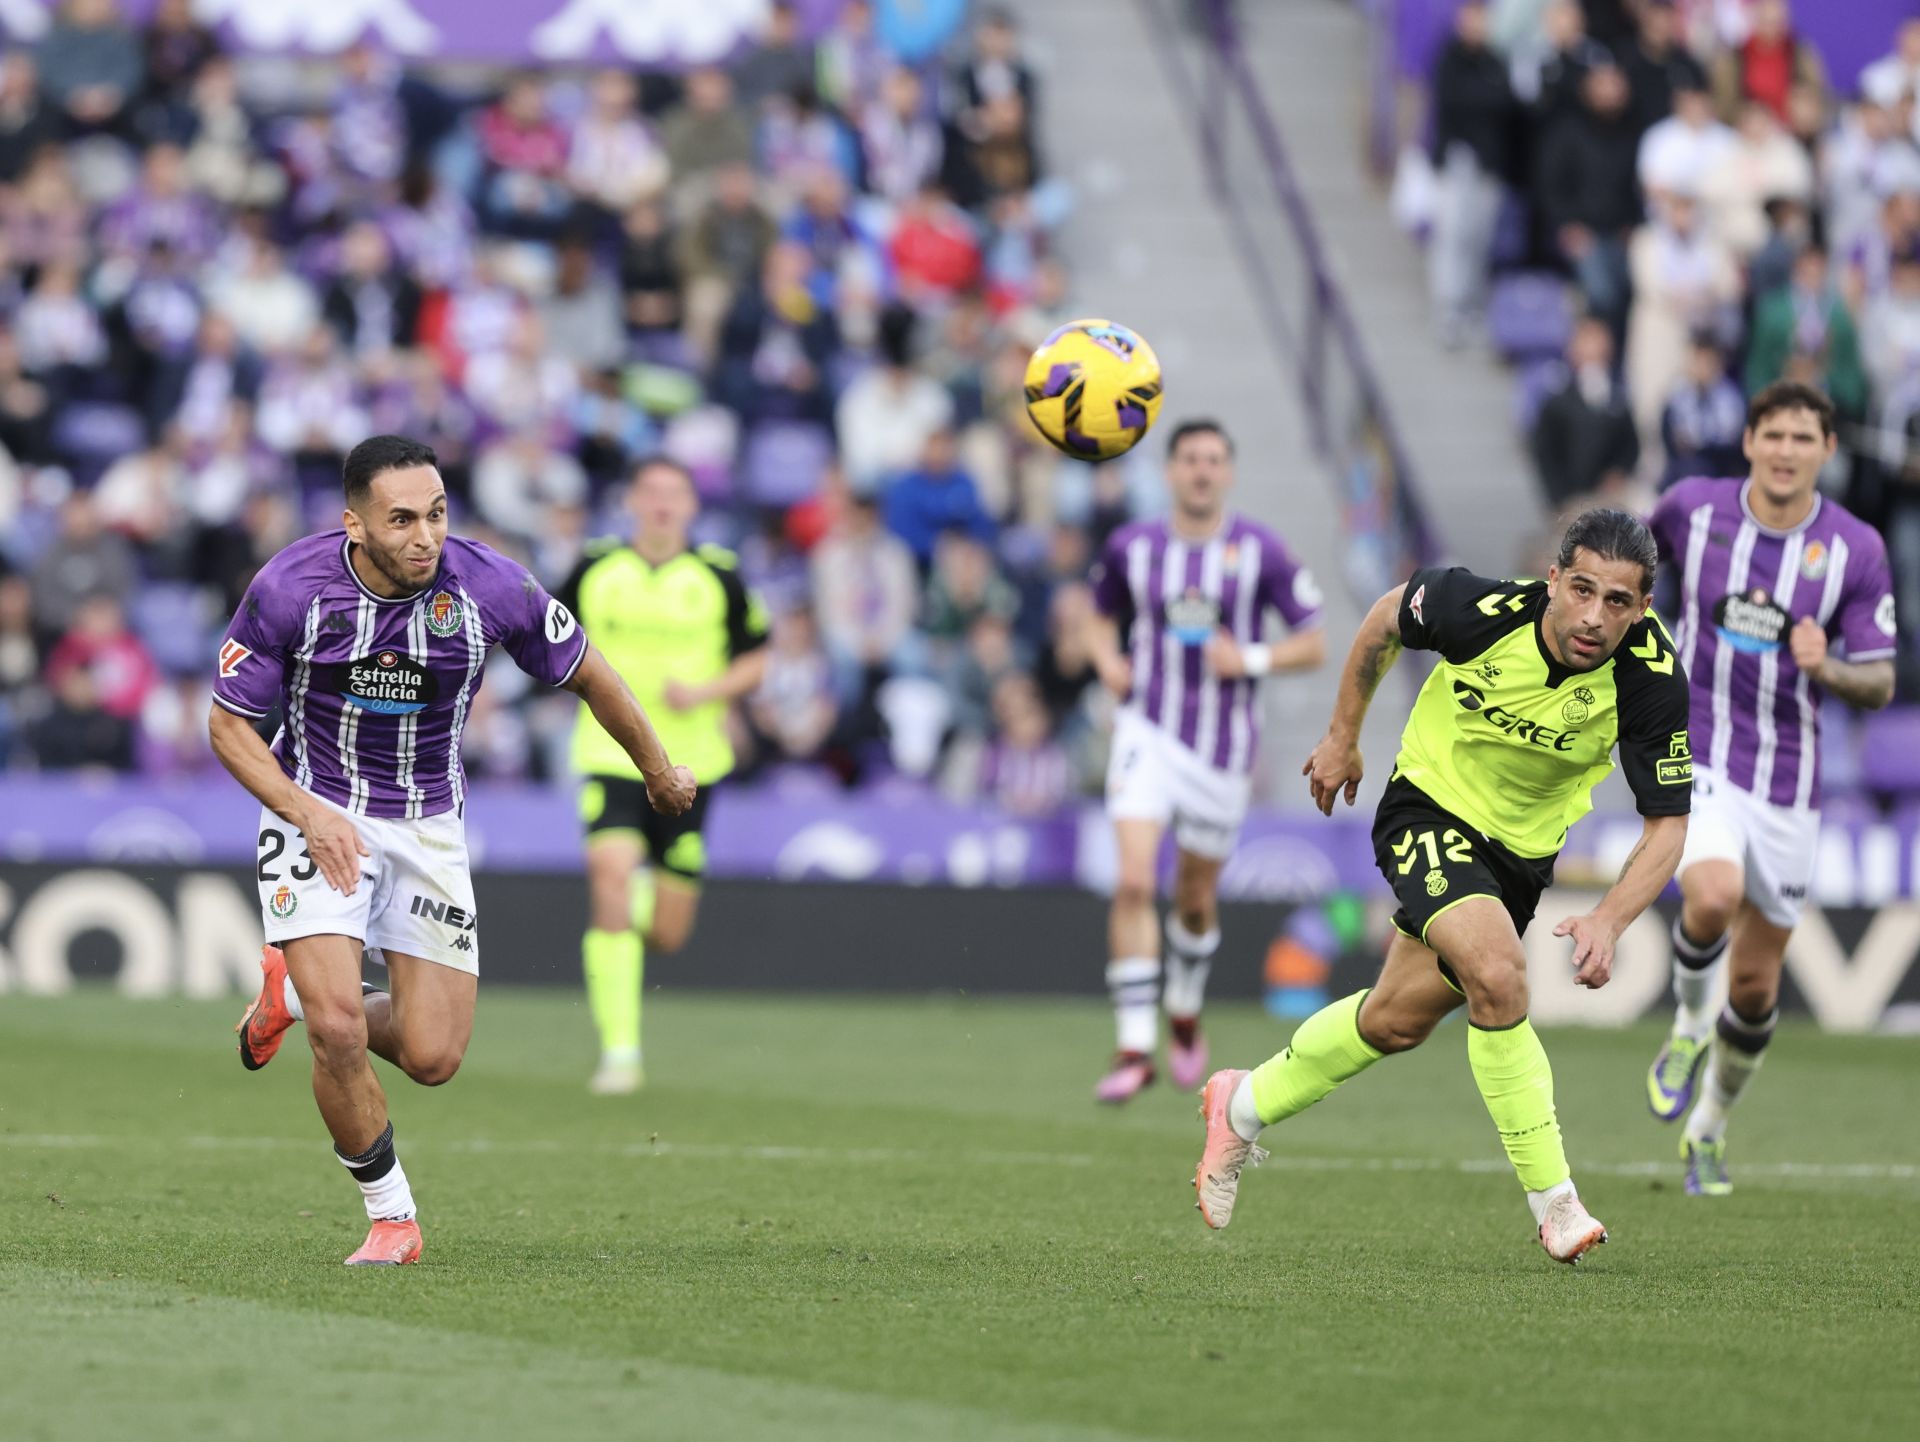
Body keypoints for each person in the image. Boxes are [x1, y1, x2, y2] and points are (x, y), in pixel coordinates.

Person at [211, 436, 697, 1266]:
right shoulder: (291, 588)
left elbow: (590, 673)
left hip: (429, 823)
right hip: (313, 809)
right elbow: (228, 726)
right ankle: (392, 1217)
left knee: (433, 1056)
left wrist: (655, 769)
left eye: (435, 513)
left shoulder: (489, 584)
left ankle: (285, 999)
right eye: (400, 519)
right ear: (353, 523)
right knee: (339, 1029)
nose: (423, 535)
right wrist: (305, 814)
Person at [1192, 508, 1694, 1265]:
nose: (1594, 616)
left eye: (1617, 601)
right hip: (1428, 809)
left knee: (1393, 1022)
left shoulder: (1652, 679)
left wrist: (1610, 920)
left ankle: (1240, 1105)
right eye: (1582, 589)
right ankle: (1556, 1204)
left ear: (1643, 608)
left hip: (1517, 862)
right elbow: (1383, 619)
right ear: (1553, 579)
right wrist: (1342, 737)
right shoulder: (1479, 609)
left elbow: (1668, 828)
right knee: (1498, 975)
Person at [1644, 383, 1896, 1195]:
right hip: (1702, 748)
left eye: (1804, 437)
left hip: (1790, 780)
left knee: (1754, 991)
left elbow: (1883, 682)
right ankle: (1685, 1025)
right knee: (1710, 896)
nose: (1787, 449)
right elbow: (1620, 564)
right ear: (1748, 440)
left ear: (1828, 449)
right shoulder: (1692, 509)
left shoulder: (1856, 550)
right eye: (1774, 434)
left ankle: (1707, 1131)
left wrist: (1831, 668)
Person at [1085, 419, 1327, 1103]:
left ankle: (1183, 1013)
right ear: (1169, 472)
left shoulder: (1260, 551)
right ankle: (1135, 1046)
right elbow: (1097, 612)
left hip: (1222, 748)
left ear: (1229, 473)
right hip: (1148, 731)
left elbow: (1313, 641)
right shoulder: (1133, 547)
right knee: (1134, 881)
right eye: (1189, 458)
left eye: (1213, 460)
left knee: (1194, 898)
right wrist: (1107, 661)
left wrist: (1247, 658)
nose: (1201, 470)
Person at [557, 457, 769, 1095]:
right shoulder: (596, 568)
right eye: (649, 492)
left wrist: (707, 690)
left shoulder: (719, 577)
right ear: (631, 501)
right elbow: (545, 639)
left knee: (668, 934)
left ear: (691, 506)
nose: (661, 504)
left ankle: (644, 899)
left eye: (673, 494)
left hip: (693, 765)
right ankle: (620, 1054)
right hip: (609, 756)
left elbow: (758, 657)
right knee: (610, 882)